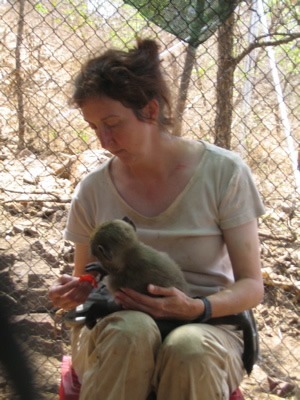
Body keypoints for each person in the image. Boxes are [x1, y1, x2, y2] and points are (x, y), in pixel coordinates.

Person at [49, 38, 265, 400]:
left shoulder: (224, 173)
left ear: (150, 111)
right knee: (131, 333)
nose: (103, 139)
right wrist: (75, 291)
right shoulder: (93, 190)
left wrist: (198, 307)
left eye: (112, 124)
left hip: (206, 324)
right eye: (93, 127)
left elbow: (251, 286)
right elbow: (87, 277)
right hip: (116, 324)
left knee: (188, 350)